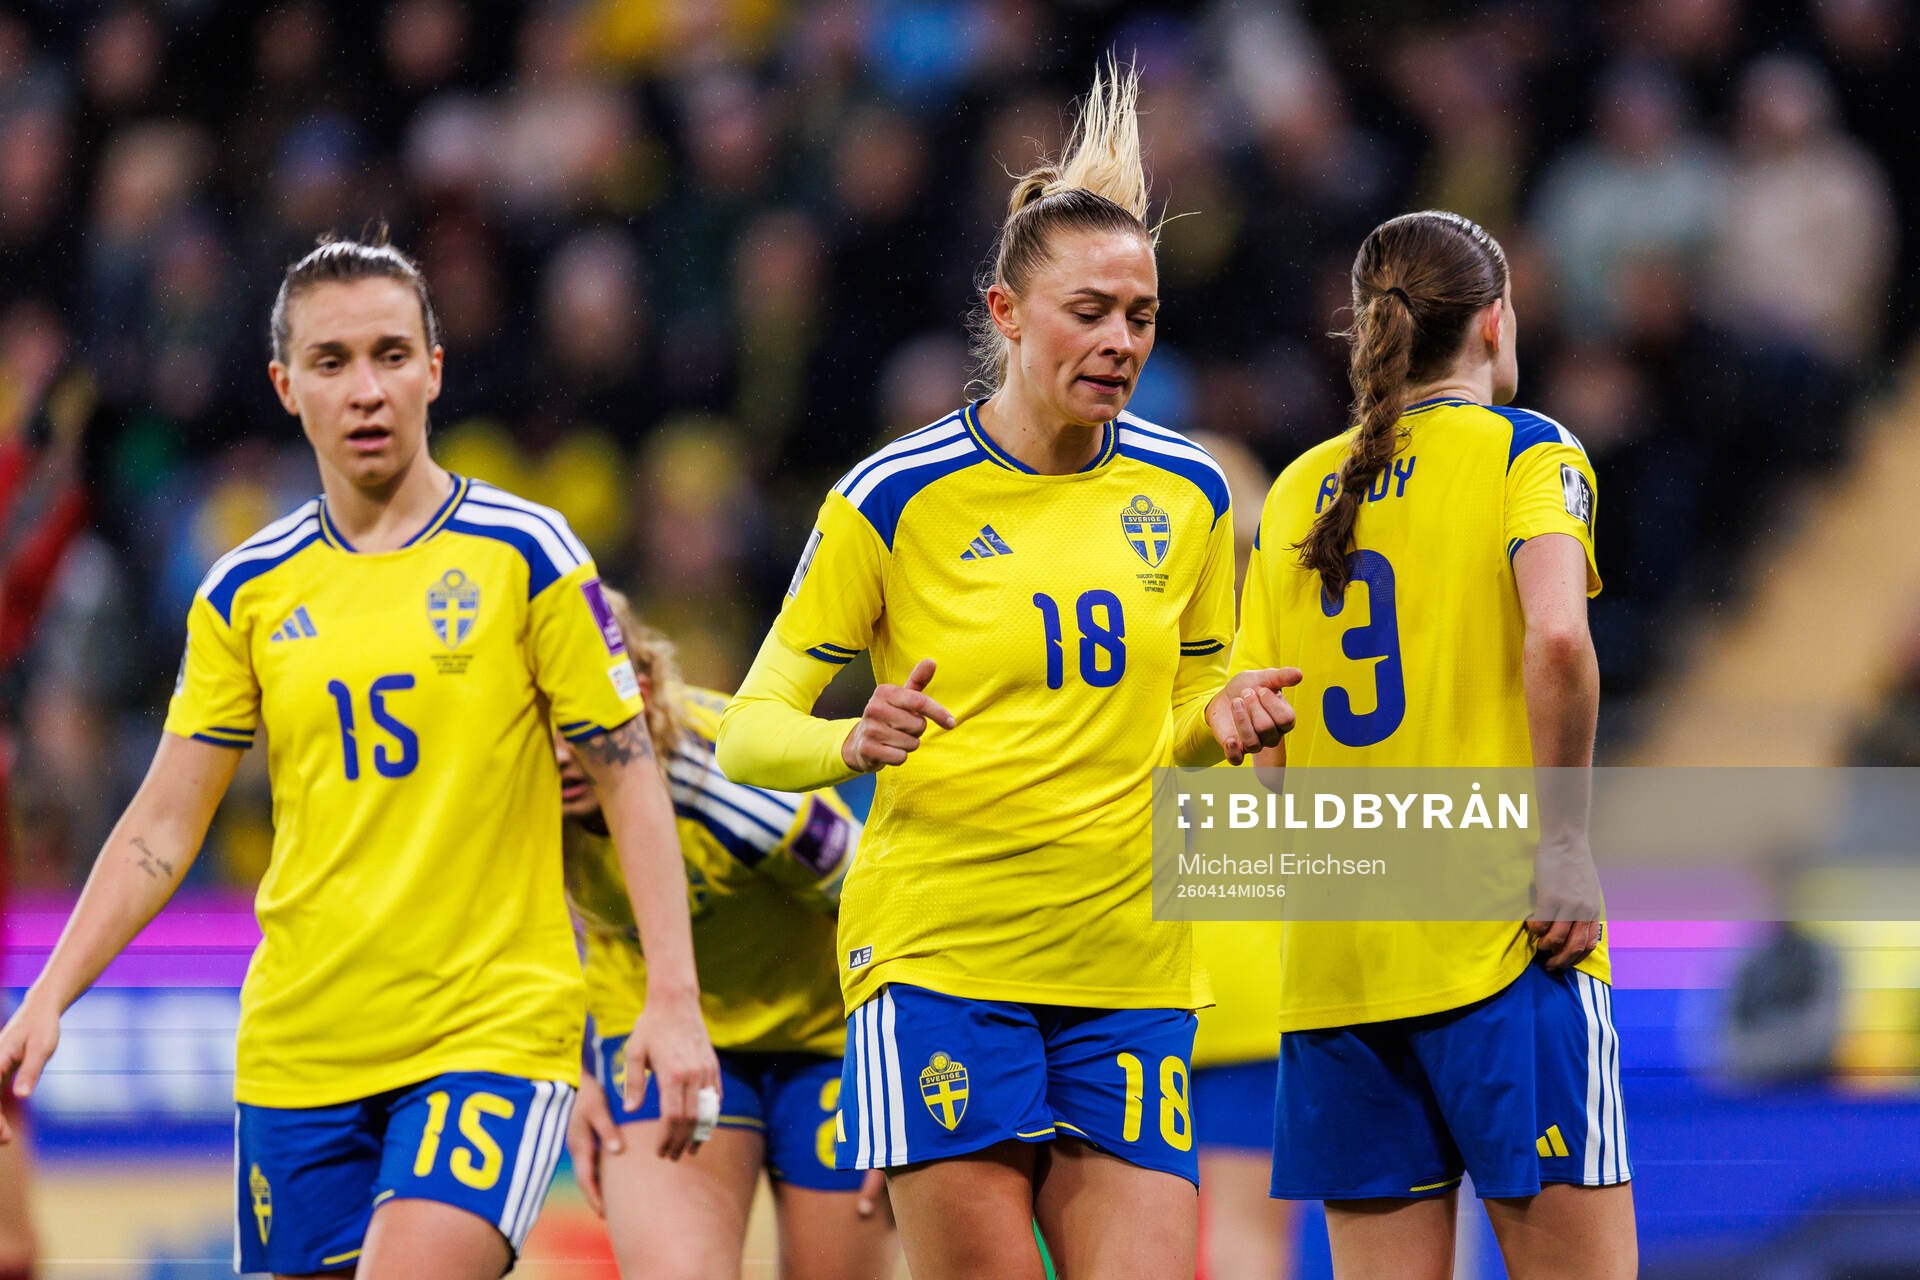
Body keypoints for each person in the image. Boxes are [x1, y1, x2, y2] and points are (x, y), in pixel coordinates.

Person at [0, 236, 718, 1280]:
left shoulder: (529, 551)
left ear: (435, 366)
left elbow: (624, 768)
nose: (367, 388)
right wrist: (49, 994)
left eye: (390, 353)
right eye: (332, 362)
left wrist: (672, 996)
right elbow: (162, 821)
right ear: (287, 388)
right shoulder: (244, 586)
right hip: (301, 1043)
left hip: (488, 1027)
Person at [714, 62, 1296, 1280]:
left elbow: (1184, 706)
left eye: (1140, 316)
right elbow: (752, 729)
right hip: (942, 961)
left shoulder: (1188, 495)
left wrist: (1219, 714)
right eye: (1090, 311)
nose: (1120, 341)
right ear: (1009, 312)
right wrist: (849, 741)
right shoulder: (893, 499)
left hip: (1131, 963)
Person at [1233, 210, 1634, 1278]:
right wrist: (1563, 842)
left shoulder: (1290, 492)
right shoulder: (1527, 450)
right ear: (1495, 323)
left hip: (1339, 968)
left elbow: (1268, 752)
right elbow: (1557, 635)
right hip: (1505, 937)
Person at [559, 590, 896, 1280]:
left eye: (579, 719)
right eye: (543, 717)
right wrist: (568, 1070)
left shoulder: (738, 783)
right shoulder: (512, 787)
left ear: (640, 691)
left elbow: (878, 905)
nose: (562, 752)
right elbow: (521, 928)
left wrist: (897, 1074)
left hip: (830, 1044)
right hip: (656, 1034)